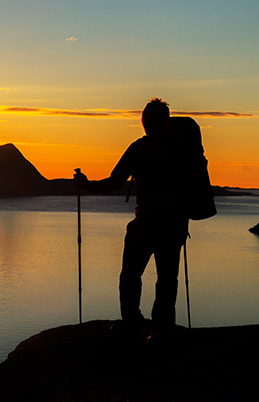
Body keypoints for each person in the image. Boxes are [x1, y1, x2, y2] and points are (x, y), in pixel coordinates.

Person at [73, 98, 189, 341]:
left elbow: (114, 182)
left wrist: (85, 185)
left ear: (144, 122)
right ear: (165, 122)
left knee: (130, 275)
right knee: (167, 279)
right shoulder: (181, 148)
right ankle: (162, 330)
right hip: (174, 224)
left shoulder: (139, 149)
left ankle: (133, 324)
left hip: (146, 223)